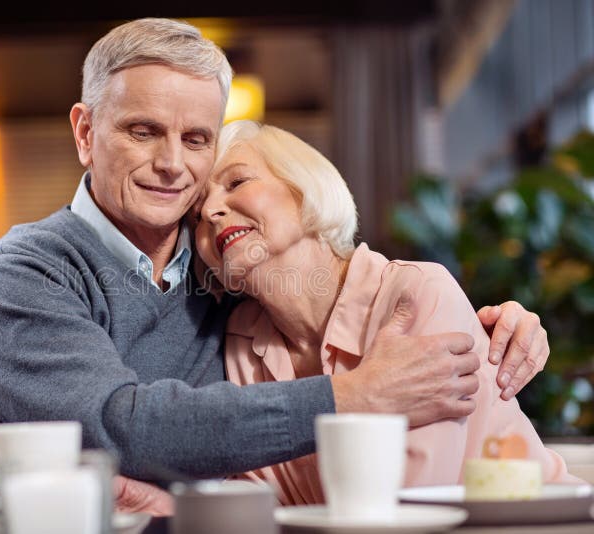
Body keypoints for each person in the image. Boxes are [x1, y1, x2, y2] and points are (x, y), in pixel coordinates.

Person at [0, 18, 549, 508]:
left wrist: (502, 325)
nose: (173, 166)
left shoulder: (227, 286)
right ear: (85, 133)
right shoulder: (22, 272)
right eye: (143, 131)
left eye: (197, 141)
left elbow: (333, 295)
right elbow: (119, 426)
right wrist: (353, 396)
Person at [194, 120, 576, 506]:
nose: (209, 210)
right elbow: (261, 505)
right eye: (195, 213)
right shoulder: (239, 338)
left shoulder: (415, 293)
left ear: (303, 188)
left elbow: (409, 509)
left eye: (237, 182)